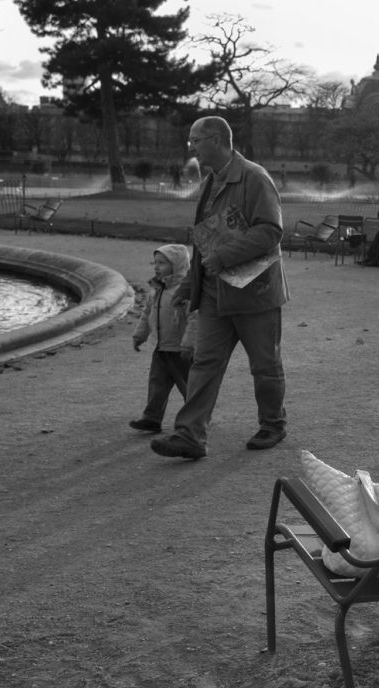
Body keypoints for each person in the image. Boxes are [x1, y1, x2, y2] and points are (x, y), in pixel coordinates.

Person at [150, 115, 289, 460]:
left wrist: (225, 256)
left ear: (214, 139)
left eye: (195, 140)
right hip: (215, 293)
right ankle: (190, 436)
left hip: (254, 293)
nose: (192, 147)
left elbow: (271, 231)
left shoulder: (254, 177)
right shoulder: (211, 180)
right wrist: (187, 287)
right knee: (204, 363)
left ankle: (273, 424)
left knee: (265, 365)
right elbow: (205, 240)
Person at [129, 244, 195, 434]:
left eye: (162, 263)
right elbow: (146, 314)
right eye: (155, 263)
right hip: (160, 348)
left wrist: (189, 344)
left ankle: (195, 417)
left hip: (181, 350)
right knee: (157, 385)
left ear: (178, 265)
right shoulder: (156, 289)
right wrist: (139, 335)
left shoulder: (184, 292)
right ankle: (151, 418)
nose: (157, 267)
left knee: (189, 387)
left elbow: (195, 319)